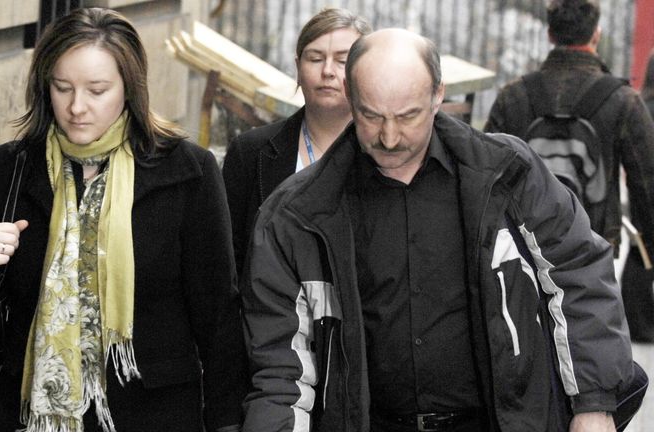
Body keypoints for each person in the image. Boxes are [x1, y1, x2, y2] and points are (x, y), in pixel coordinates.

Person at [241, 28, 634, 432]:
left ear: (438, 95)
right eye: (372, 116)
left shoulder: (508, 176)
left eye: (407, 116)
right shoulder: (297, 215)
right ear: (350, 97)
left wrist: (594, 403)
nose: (389, 137)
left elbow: (577, 273)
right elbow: (280, 368)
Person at [0, 8, 244, 432]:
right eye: (61, 88)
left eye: (97, 90)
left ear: (129, 89)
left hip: (153, 412)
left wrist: (225, 421)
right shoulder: (12, 167)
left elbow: (217, 315)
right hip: (31, 412)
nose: (76, 107)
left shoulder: (187, 172)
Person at [484, 0, 654, 274]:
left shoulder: (512, 97)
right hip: (594, 249)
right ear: (595, 34)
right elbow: (648, 184)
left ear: (550, 34)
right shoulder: (623, 101)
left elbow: (485, 175)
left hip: (525, 249)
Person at [222, 7, 371, 274]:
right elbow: (228, 257)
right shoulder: (250, 152)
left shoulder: (385, 151)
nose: (327, 71)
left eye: (342, 60)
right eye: (315, 58)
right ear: (298, 68)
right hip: (272, 309)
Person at [619, 49, 654, 343]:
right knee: (644, 252)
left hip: (642, 186)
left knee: (641, 250)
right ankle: (641, 320)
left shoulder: (644, 104)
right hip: (649, 186)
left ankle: (637, 317)